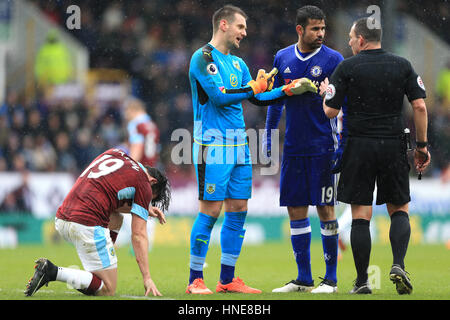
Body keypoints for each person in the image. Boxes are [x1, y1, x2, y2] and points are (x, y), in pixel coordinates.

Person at [186, 4, 316, 294]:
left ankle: (227, 279)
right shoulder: (203, 57)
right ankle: (195, 279)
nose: (245, 33)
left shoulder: (238, 63)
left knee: (239, 209)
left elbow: (255, 98)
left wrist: (287, 89)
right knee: (210, 211)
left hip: (240, 147)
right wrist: (254, 88)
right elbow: (220, 97)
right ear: (223, 25)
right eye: (240, 27)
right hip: (212, 145)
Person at [319, 17, 431, 295]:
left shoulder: (347, 67)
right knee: (399, 208)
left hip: (359, 146)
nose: (348, 42)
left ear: (361, 39)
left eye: (350, 37)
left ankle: (362, 281)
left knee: (360, 214)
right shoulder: (402, 65)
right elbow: (419, 106)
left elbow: (330, 112)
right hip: (393, 144)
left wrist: (324, 94)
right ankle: (399, 264)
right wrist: (422, 146)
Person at [264, 6, 344, 294]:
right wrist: (269, 136)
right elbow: (275, 99)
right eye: (315, 29)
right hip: (294, 149)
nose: (321, 34)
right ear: (300, 29)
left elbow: (343, 107)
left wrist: (342, 144)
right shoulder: (282, 58)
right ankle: (303, 278)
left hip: (323, 146)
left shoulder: (335, 60)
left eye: (323, 29)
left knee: (325, 209)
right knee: (295, 210)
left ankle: (331, 280)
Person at [24, 148, 171, 297]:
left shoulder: (116, 153)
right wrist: (147, 277)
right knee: (108, 289)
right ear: (152, 181)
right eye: (149, 198)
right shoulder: (143, 182)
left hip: (62, 218)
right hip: (87, 224)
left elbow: (110, 195)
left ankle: (103, 262)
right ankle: (52, 271)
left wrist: (144, 207)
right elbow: (138, 235)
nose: (146, 201)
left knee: (116, 218)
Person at [124, 97, 160, 167]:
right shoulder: (151, 124)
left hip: (141, 166)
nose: (125, 115)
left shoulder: (136, 124)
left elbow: (137, 146)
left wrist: (130, 166)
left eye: (126, 111)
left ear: (132, 110)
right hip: (151, 166)